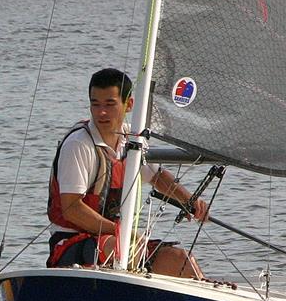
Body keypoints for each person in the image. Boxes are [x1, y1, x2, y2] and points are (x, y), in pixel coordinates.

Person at [46, 68, 209, 278]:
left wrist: (190, 201)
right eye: (95, 105)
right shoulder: (79, 145)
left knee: (180, 260)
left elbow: (157, 176)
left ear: (129, 105)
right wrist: (122, 232)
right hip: (70, 243)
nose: (101, 112)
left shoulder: (131, 140)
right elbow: (71, 209)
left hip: (118, 239)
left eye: (109, 104)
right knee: (120, 249)